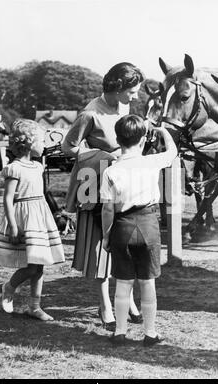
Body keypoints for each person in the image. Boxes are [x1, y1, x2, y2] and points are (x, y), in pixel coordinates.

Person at [62, 62, 144, 330]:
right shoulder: (90, 113)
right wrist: (101, 156)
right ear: (118, 86)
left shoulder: (125, 107)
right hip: (96, 183)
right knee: (101, 247)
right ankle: (104, 305)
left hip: (123, 183)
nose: (135, 97)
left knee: (125, 242)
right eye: (132, 91)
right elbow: (68, 146)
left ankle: (128, 300)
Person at [100, 115, 177, 346]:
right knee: (147, 283)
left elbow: (107, 209)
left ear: (117, 138)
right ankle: (150, 333)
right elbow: (172, 152)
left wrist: (106, 235)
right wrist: (163, 132)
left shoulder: (110, 171)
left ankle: (120, 331)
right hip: (148, 223)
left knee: (123, 283)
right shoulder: (152, 161)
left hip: (122, 226)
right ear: (143, 139)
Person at [0, 119, 65, 321]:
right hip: (24, 218)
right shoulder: (15, 168)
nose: (44, 145)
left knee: (40, 264)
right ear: (29, 143)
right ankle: (9, 286)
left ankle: (35, 306)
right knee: (32, 266)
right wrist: (13, 226)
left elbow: (43, 195)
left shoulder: (38, 167)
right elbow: (7, 199)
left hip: (39, 216)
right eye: (42, 140)